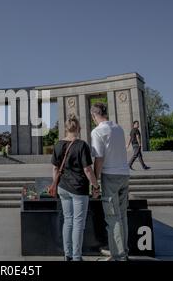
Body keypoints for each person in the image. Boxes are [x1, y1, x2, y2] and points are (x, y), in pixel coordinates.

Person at [50, 115, 100, 261]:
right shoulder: (82, 145)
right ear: (78, 128)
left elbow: (54, 168)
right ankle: (77, 257)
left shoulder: (58, 145)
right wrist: (96, 186)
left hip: (63, 188)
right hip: (79, 189)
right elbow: (88, 170)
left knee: (68, 221)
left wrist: (56, 183)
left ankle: (68, 255)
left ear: (66, 128)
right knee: (78, 223)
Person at [90, 103, 129, 261]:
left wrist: (95, 183)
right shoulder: (118, 128)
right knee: (122, 215)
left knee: (113, 217)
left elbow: (99, 159)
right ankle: (120, 250)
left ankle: (119, 256)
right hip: (124, 175)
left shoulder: (98, 131)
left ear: (94, 115)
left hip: (110, 176)